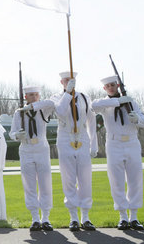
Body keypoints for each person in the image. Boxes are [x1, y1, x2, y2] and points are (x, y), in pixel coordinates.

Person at [92, 76, 144, 231]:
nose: (110, 87)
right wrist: (118, 102)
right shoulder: (105, 104)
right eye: (107, 86)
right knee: (116, 180)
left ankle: (134, 217)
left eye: (113, 85)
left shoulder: (131, 102)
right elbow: (93, 106)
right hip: (114, 143)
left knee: (135, 179)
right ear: (104, 89)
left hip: (132, 142)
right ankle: (123, 217)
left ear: (118, 85)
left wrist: (137, 118)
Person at [51, 71, 97, 231]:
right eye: (66, 80)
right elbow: (61, 111)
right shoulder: (56, 97)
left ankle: (85, 216)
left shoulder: (84, 97)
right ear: (61, 82)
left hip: (82, 137)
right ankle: (74, 217)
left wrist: (94, 143)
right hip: (65, 137)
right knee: (68, 178)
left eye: (72, 80)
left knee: (85, 178)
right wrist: (67, 94)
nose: (69, 82)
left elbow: (91, 120)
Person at [10, 86, 54, 231]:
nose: (34, 97)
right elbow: (12, 133)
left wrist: (33, 106)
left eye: (36, 95)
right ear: (25, 97)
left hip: (41, 148)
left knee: (45, 184)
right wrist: (18, 135)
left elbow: (52, 104)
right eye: (30, 95)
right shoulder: (18, 113)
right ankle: (35, 218)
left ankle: (46, 218)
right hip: (26, 149)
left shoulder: (43, 109)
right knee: (29, 185)